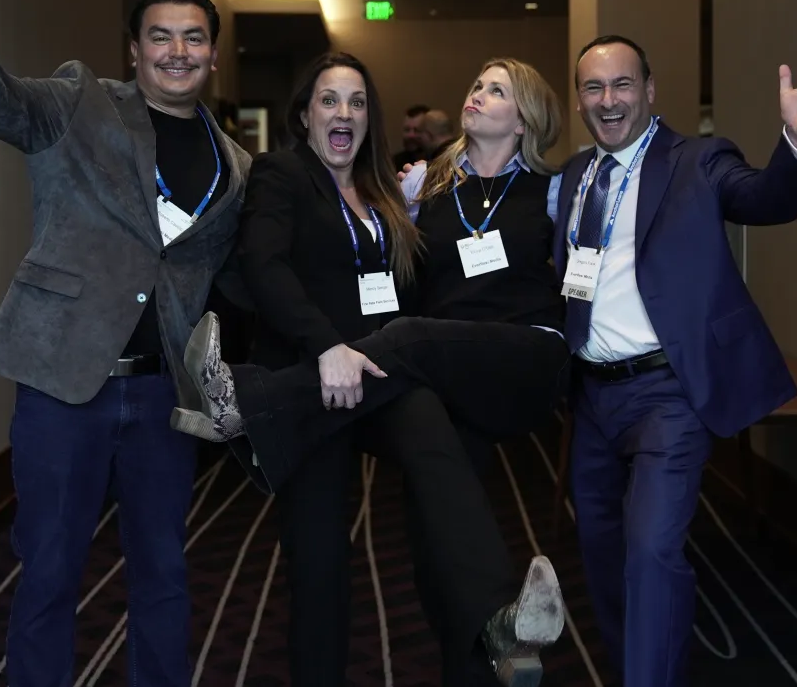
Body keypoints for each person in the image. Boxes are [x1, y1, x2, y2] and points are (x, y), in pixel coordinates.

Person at [174, 56, 574, 684]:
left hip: (378, 379)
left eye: (357, 103)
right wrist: (325, 346)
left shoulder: (391, 190)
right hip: (314, 373)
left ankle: (497, 616)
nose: (344, 114)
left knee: (440, 465)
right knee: (320, 560)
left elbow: (410, 284)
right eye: (329, 101)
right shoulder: (283, 175)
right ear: (305, 114)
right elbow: (266, 269)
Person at [0, 0, 251, 687]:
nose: (177, 52)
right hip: (61, 385)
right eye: (161, 37)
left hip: (160, 399)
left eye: (194, 38)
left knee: (165, 573)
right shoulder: (80, 104)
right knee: (47, 570)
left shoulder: (238, 167)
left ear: (214, 54)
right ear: (135, 49)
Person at [555, 35, 797, 687]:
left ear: (650, 91)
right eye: (593, 88)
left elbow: (767, 199)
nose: (608, 99)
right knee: (600, 551)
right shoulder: (574, 175)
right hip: (591, 398)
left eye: (622, 84)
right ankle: (633, 666)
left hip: (667, 395)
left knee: (651, 550)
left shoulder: (698, 161)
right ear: (579, 100)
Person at [392, 101, 429, 169]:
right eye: (407, 130)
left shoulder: (439, 162)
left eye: (417, 130)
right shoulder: (394, 163)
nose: (411, 135)